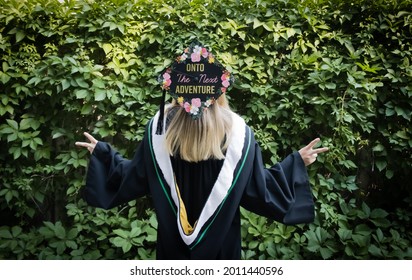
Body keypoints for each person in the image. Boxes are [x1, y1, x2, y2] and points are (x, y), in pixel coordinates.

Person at [75, 43, 328, 260]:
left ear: (177, 90)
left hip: (172, 252)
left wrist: (103, 155)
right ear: (218, 91)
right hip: (222, 251)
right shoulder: (238, 135)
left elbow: (132, 177)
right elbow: (258, 189)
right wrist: (296, 163)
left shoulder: (160, 131)